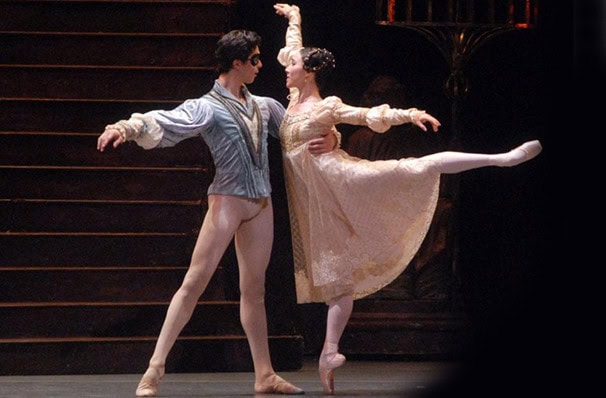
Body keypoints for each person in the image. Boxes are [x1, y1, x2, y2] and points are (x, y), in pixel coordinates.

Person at [273, 3, 542, 395]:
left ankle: (499, 159)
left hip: (343, 179)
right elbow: (291, 47)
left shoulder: (325, 106)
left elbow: (367, 115)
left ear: (309, 72)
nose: (286, 66)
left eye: (293, 64)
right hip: (321, 200)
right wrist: (295, 19)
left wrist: (408, 112)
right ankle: (329, 352)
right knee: (337, 279)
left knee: (418, 167)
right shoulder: (295, 100)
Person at [97, 29, 336, 397]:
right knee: (195, 282)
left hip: (260, 203)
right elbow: (165, 121)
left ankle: (265, 374)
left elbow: (300, 129)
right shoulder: (207, 106)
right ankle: (154, 369)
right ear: (236, 63)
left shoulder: (264, 105)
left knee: (254, 291)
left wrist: (333, 138)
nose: (260, 65)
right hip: (227, 200)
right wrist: (125, 127)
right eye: (254, 59)